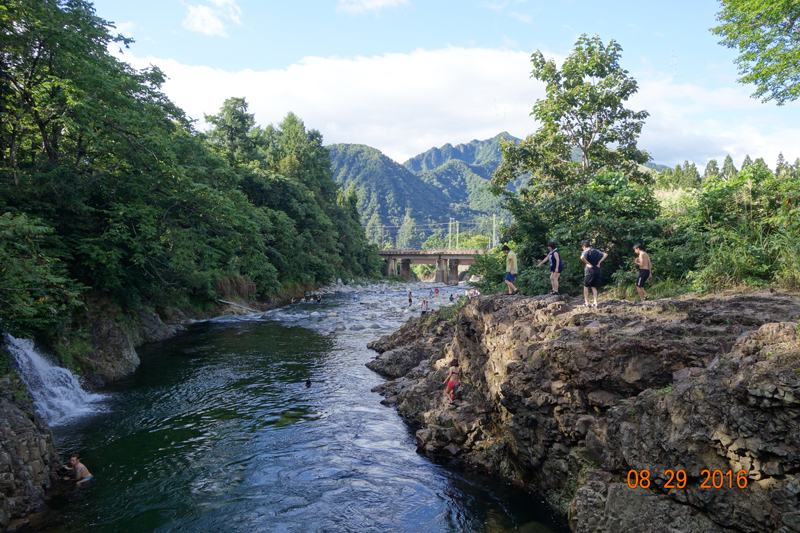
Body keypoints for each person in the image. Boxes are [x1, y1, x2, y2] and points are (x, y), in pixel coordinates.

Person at [580, 241, 607, 308]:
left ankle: (586, 303)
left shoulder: (586, 251)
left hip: (589, 271)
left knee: (586, 286)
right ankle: (595, 302)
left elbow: (582, 257)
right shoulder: (596, 251)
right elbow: (605, 254)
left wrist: (588, 263)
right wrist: (599, 262)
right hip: (597, 270)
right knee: (594, 286)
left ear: (584, 246)